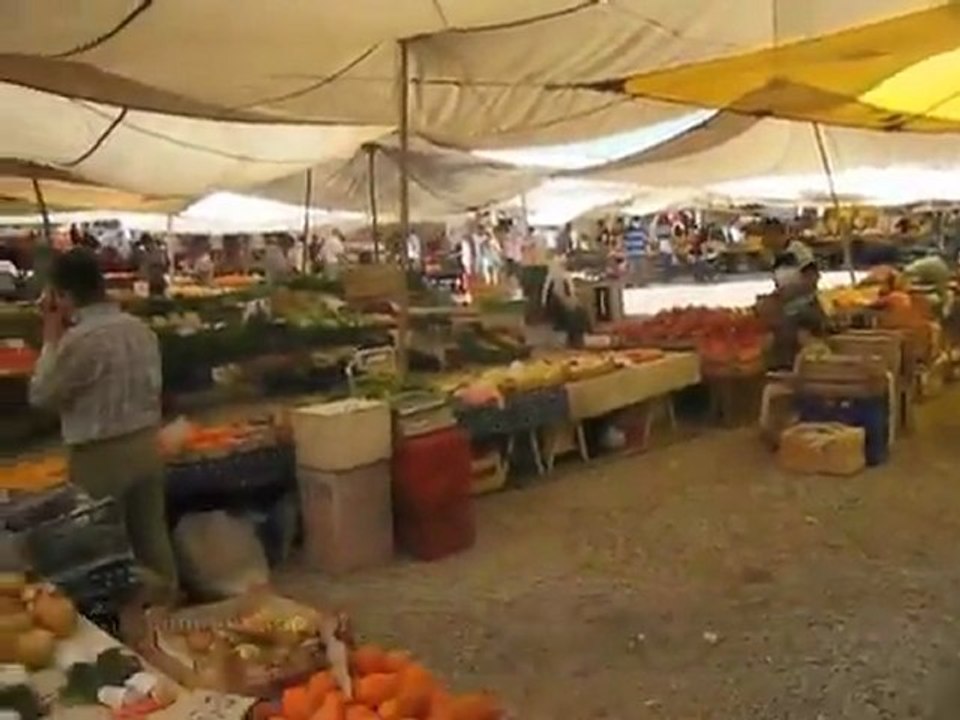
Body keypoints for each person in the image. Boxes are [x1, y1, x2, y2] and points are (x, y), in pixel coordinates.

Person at [29, 248, 178, 597]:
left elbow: (41, 395)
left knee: (103, 550)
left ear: (63, 296)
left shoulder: (79, 341)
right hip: (146, 443)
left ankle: (126, 620)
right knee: (151, 537)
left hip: (100, 454)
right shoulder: (140, 329)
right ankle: (165, 609)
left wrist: (51, 336)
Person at [540, 255, 589, 348]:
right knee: (580, 314)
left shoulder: (551, 276)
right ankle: (576, 340)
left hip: (555, 306)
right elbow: (567, 295)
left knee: (578, 313)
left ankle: (573, 339)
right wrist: (574, 303)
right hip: (561, 307)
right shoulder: (564, 276)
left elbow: (547, 294)